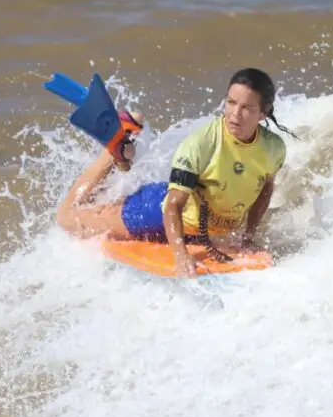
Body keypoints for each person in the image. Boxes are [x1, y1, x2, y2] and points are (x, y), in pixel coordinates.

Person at [55, 67, 296, 278]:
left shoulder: (273, 149)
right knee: (68, 218)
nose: (235, 114)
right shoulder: (201, 143)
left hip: (205, 225)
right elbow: (172, 206)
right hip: (157, 211)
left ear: (264, 113)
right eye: (231, 102)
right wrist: (180, 255)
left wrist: (249, 237)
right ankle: (116, 147)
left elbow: (265, 188)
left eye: (246, 107)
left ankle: (127, 140)